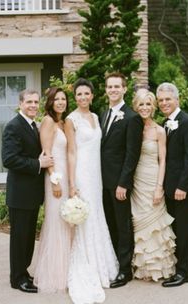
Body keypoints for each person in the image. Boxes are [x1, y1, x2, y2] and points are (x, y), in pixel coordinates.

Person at [65, 78, 118, 304]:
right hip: (82, 175)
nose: (83, 98)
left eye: (87, 94)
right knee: (85, 218)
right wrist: (72, 182)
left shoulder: (97, 117)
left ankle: (101, 262)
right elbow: (71, 152)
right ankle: (87, 263)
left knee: (97, 215)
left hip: (96, 176)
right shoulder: (71, 119)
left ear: (93, 96)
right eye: (79, 94)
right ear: (74, 97)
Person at [2, 89, 54, 293]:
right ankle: (17, 279)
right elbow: (9, 159)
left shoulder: (33, 125)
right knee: (19, 238)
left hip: (32, 195)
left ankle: (23, 272)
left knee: (28, 236)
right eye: (29, 102)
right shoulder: (13, 127)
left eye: (36, 102)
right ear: (20, 103)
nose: (33, 105)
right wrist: (37, 163)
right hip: (20, 195)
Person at [156, 82, 188, 287]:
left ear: (177, 100)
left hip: (185, 190)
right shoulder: (164, 123)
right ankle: (177, 268)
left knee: (183, 232)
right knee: (175, 230)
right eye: (161, 100)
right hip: (169, 190)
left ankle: (185, 273)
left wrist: (182, 187)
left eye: (168, 99)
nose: (164, 103)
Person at [100, 72, 143, 288]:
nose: (113, 90)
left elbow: (131, 154)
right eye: (110, 86)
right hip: (102, 183)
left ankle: (125, 271)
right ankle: (114, 263)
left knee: (123, 226)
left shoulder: (132, 117)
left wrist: (123, 183)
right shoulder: (103, 114)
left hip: (118, 184)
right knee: (109, 224)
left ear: (125, 89)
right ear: (106, 89)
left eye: (117, 86)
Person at [131, 88, 176, 282]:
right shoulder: (132, 128)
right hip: (135, 182)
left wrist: (159, 187)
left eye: (148, 104)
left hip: (152, 179)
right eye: (141, 104)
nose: (145, 108)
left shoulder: (159, 131)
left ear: (153, 106)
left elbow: (163, 160)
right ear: (136, 107)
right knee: (139, 223)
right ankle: (141, 267)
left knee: (155, 223)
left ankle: (158, 267)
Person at [33, 87, 72, 292]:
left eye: (63, 99)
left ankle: (67, 269)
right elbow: (46, 154)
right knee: (56, 221)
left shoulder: (63, 122)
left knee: (67, 222)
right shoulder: (48, 121)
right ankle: (55, 272)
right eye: (56, 99)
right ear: (50, 102)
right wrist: (55, 181)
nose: (60, 102)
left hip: (66, 177)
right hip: (55, 179)